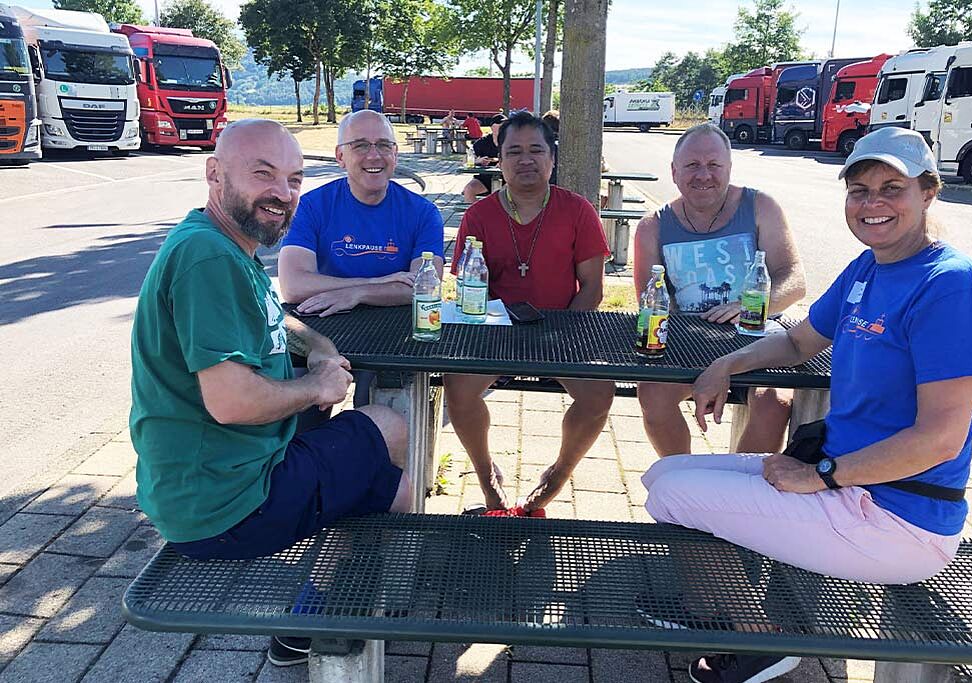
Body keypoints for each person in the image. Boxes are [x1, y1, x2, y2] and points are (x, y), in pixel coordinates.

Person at [642, 127, 972, 683]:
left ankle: (762, 640)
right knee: (663, 473)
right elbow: (798, 341)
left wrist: (821, 476)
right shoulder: (870, 267)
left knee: (673, 494)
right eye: (859, 190)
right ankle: (725, 611)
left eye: (892, 188)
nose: (872, 204)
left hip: (899, 518)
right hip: (850, 490)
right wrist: (725, 364)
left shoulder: (951, 287)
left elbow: (940, 439)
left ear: (928, 193)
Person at [129, 119, 412, 667]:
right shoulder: (208, 259)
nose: (282, 193)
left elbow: (277, 319)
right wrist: (317, 386)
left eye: (294, 179)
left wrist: (322, 347)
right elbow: (232, 401)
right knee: (390, 432)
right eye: (263, 174)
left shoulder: (220, 243)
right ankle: (329, 611)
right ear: (214, 173)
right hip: (224, 507)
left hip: (206, 486)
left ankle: (316, 609)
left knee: (383, 484)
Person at [446, 110, 615, 515]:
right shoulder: (479, 215)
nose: (526, 160)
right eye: (514, 151)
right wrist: (494, 330)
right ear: (498, 161)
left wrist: (561, 334)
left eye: (536, 150)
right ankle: (488, 480)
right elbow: (471, 288)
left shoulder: (577, 210)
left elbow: (592, 286)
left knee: (599, 395)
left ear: (552, 159)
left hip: (563, 329)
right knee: (458, 388)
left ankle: (555, 479)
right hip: (496, 331)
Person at [633, 123, 806, 457]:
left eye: (714, 165)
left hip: (756, 335)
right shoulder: (653, 225)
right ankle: (684, 479)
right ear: (674, 171)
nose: (703, 175)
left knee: (775, 400)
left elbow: (794, 278)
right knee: (652, 394)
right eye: (692, 166)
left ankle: (737, 487)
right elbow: (648, 301)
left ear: (729, 168)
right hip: (688, 339)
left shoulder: (760, 206)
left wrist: (752, 306)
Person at [278, 109, 444, 317]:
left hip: (401, 330)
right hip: (325, 324)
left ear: (395, 155)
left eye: (384, 145)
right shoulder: (311, 207)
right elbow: (294, 286)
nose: (374, 156)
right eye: (360, 146)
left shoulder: (424, 213)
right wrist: (375, 283)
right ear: (340, 156)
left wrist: (359, 293)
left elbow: (427, 287)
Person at [461, 113, 506, 203]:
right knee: (469, 189)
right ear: (492, 127)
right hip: (484, 178)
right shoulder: (481, 143)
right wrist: (478, 161)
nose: (503, 127)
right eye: (499, 124)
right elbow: (465, 160)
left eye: (505, 124)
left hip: (507, 179)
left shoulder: (513, 141)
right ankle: (474, 216)